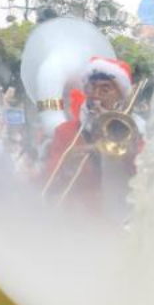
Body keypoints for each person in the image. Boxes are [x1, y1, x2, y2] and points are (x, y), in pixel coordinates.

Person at [42, 56, 141, 222]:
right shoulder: (65, 132)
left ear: (121, 97)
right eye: (91, 88)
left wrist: (117, 137)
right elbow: (47, 182)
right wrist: (67, 163)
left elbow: (144, 177)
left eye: (105, 89)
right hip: (82, 222)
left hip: (125, 222)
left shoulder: (134, 132)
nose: (95, 95)